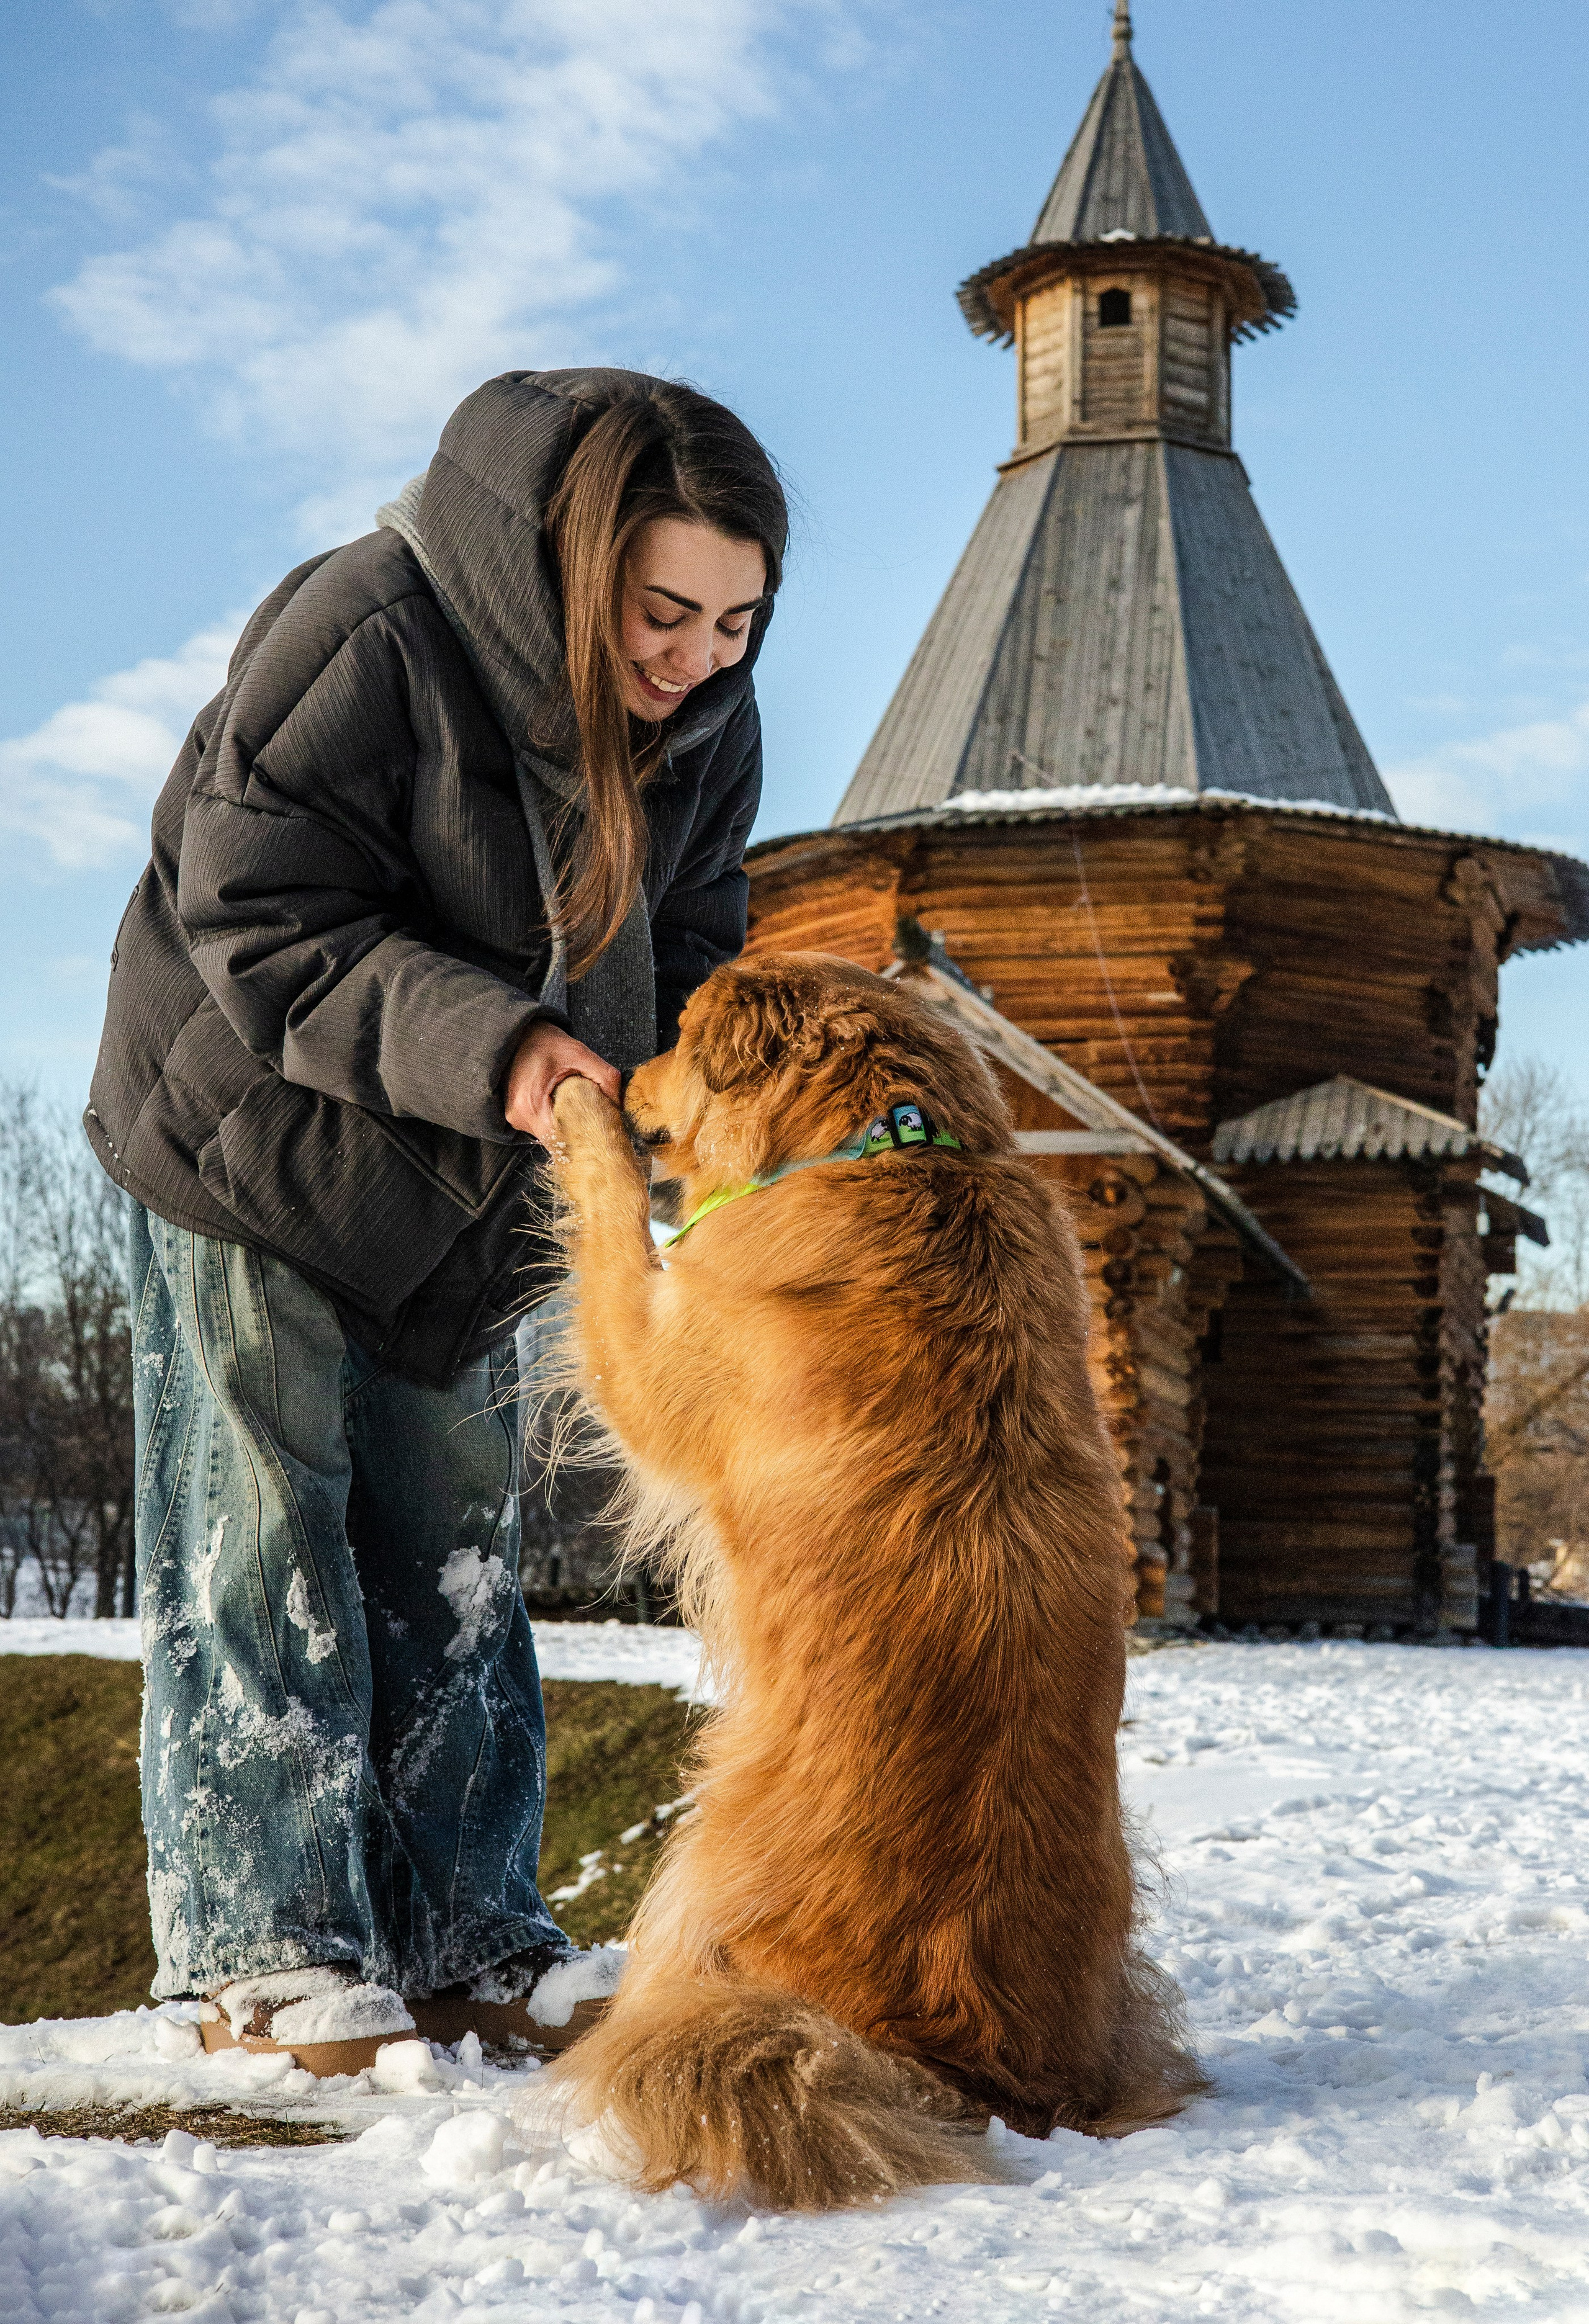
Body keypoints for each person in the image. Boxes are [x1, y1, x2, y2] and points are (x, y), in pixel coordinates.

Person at [86, 368, 786, 2071]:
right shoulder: (369, 630)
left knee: (457, 1542)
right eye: (664, 612)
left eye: (738, 622)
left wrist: (687, 1120)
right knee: (267, 1530)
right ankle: (263, 1945)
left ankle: (470, 1934)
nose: (698, 658)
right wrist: (509, 1050)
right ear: (580, 564)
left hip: (485, 1170)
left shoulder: (705, 721)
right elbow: (257, 910)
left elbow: (693, 938)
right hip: (255, 1139)